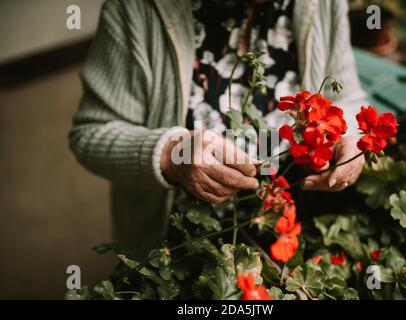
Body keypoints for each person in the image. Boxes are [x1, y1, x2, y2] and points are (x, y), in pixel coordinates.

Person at [69, 0, 366, 256]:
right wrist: (173, 154)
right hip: (179, 242)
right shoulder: (134, 9)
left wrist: (350, 137)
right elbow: (91, 132)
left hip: (287, 223)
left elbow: (346, 98)